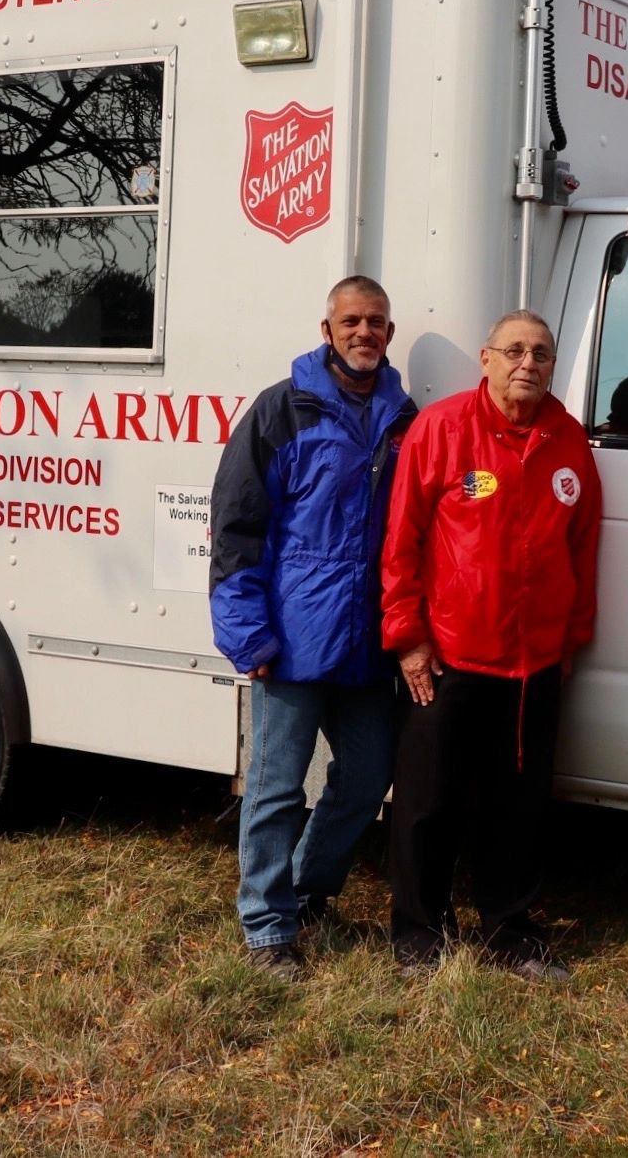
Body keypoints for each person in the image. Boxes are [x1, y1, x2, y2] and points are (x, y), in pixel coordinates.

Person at [381, 309, 602, 980]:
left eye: (540, 352)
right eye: (513, 350)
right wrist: (408, 638)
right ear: (485, 359)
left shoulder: (568, 441)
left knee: (519, 806)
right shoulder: (442, 429)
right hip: (448, 655)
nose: (527, 363)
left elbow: (583, 548)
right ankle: (420, 932)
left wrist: (570, 640)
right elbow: (402, 542)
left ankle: (511, 931)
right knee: (428, 803)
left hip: (533, 663)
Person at [209, 275, 417, 978]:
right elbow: (236, 528)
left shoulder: (403, 417)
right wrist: (249, 635)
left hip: (366, 646)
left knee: (366, 778)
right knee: (275, 788)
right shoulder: (282, 412)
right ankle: (267, 931)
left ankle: (306, 890)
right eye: (352, 321)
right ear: (327, 330)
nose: (366, 333)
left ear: (390, 334)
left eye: (378, 323)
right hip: (290, 644)